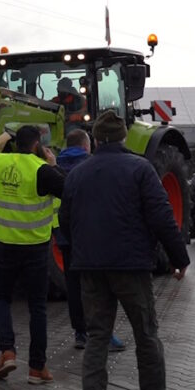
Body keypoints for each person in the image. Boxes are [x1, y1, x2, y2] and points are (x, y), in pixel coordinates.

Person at [59, 111, 190, 390]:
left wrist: (84, 250)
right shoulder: (140, 169)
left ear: (95, 139)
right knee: (145, 333)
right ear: (123, 137)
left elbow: (65, 221)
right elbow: (162, 216)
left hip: (90, 268)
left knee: (97, 335)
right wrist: (178, 257)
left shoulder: (77, 173)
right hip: (130, 266)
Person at [0, 125, 65, 385]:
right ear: (38, 145)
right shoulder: (41, 170)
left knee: (2, 299)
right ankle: (36, 368)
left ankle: (7, 352)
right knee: (37, 307)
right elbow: (68, 189)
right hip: (36, 247)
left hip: (6, 245)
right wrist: (53, 164)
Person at [55, 128, 126, 353]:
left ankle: (80, 333)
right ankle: (103, 334)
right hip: (90, 236)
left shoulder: (53, 165)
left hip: (64, 236)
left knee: (74, 288)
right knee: (100, 289)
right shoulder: (92, 166)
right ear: (87, 146)